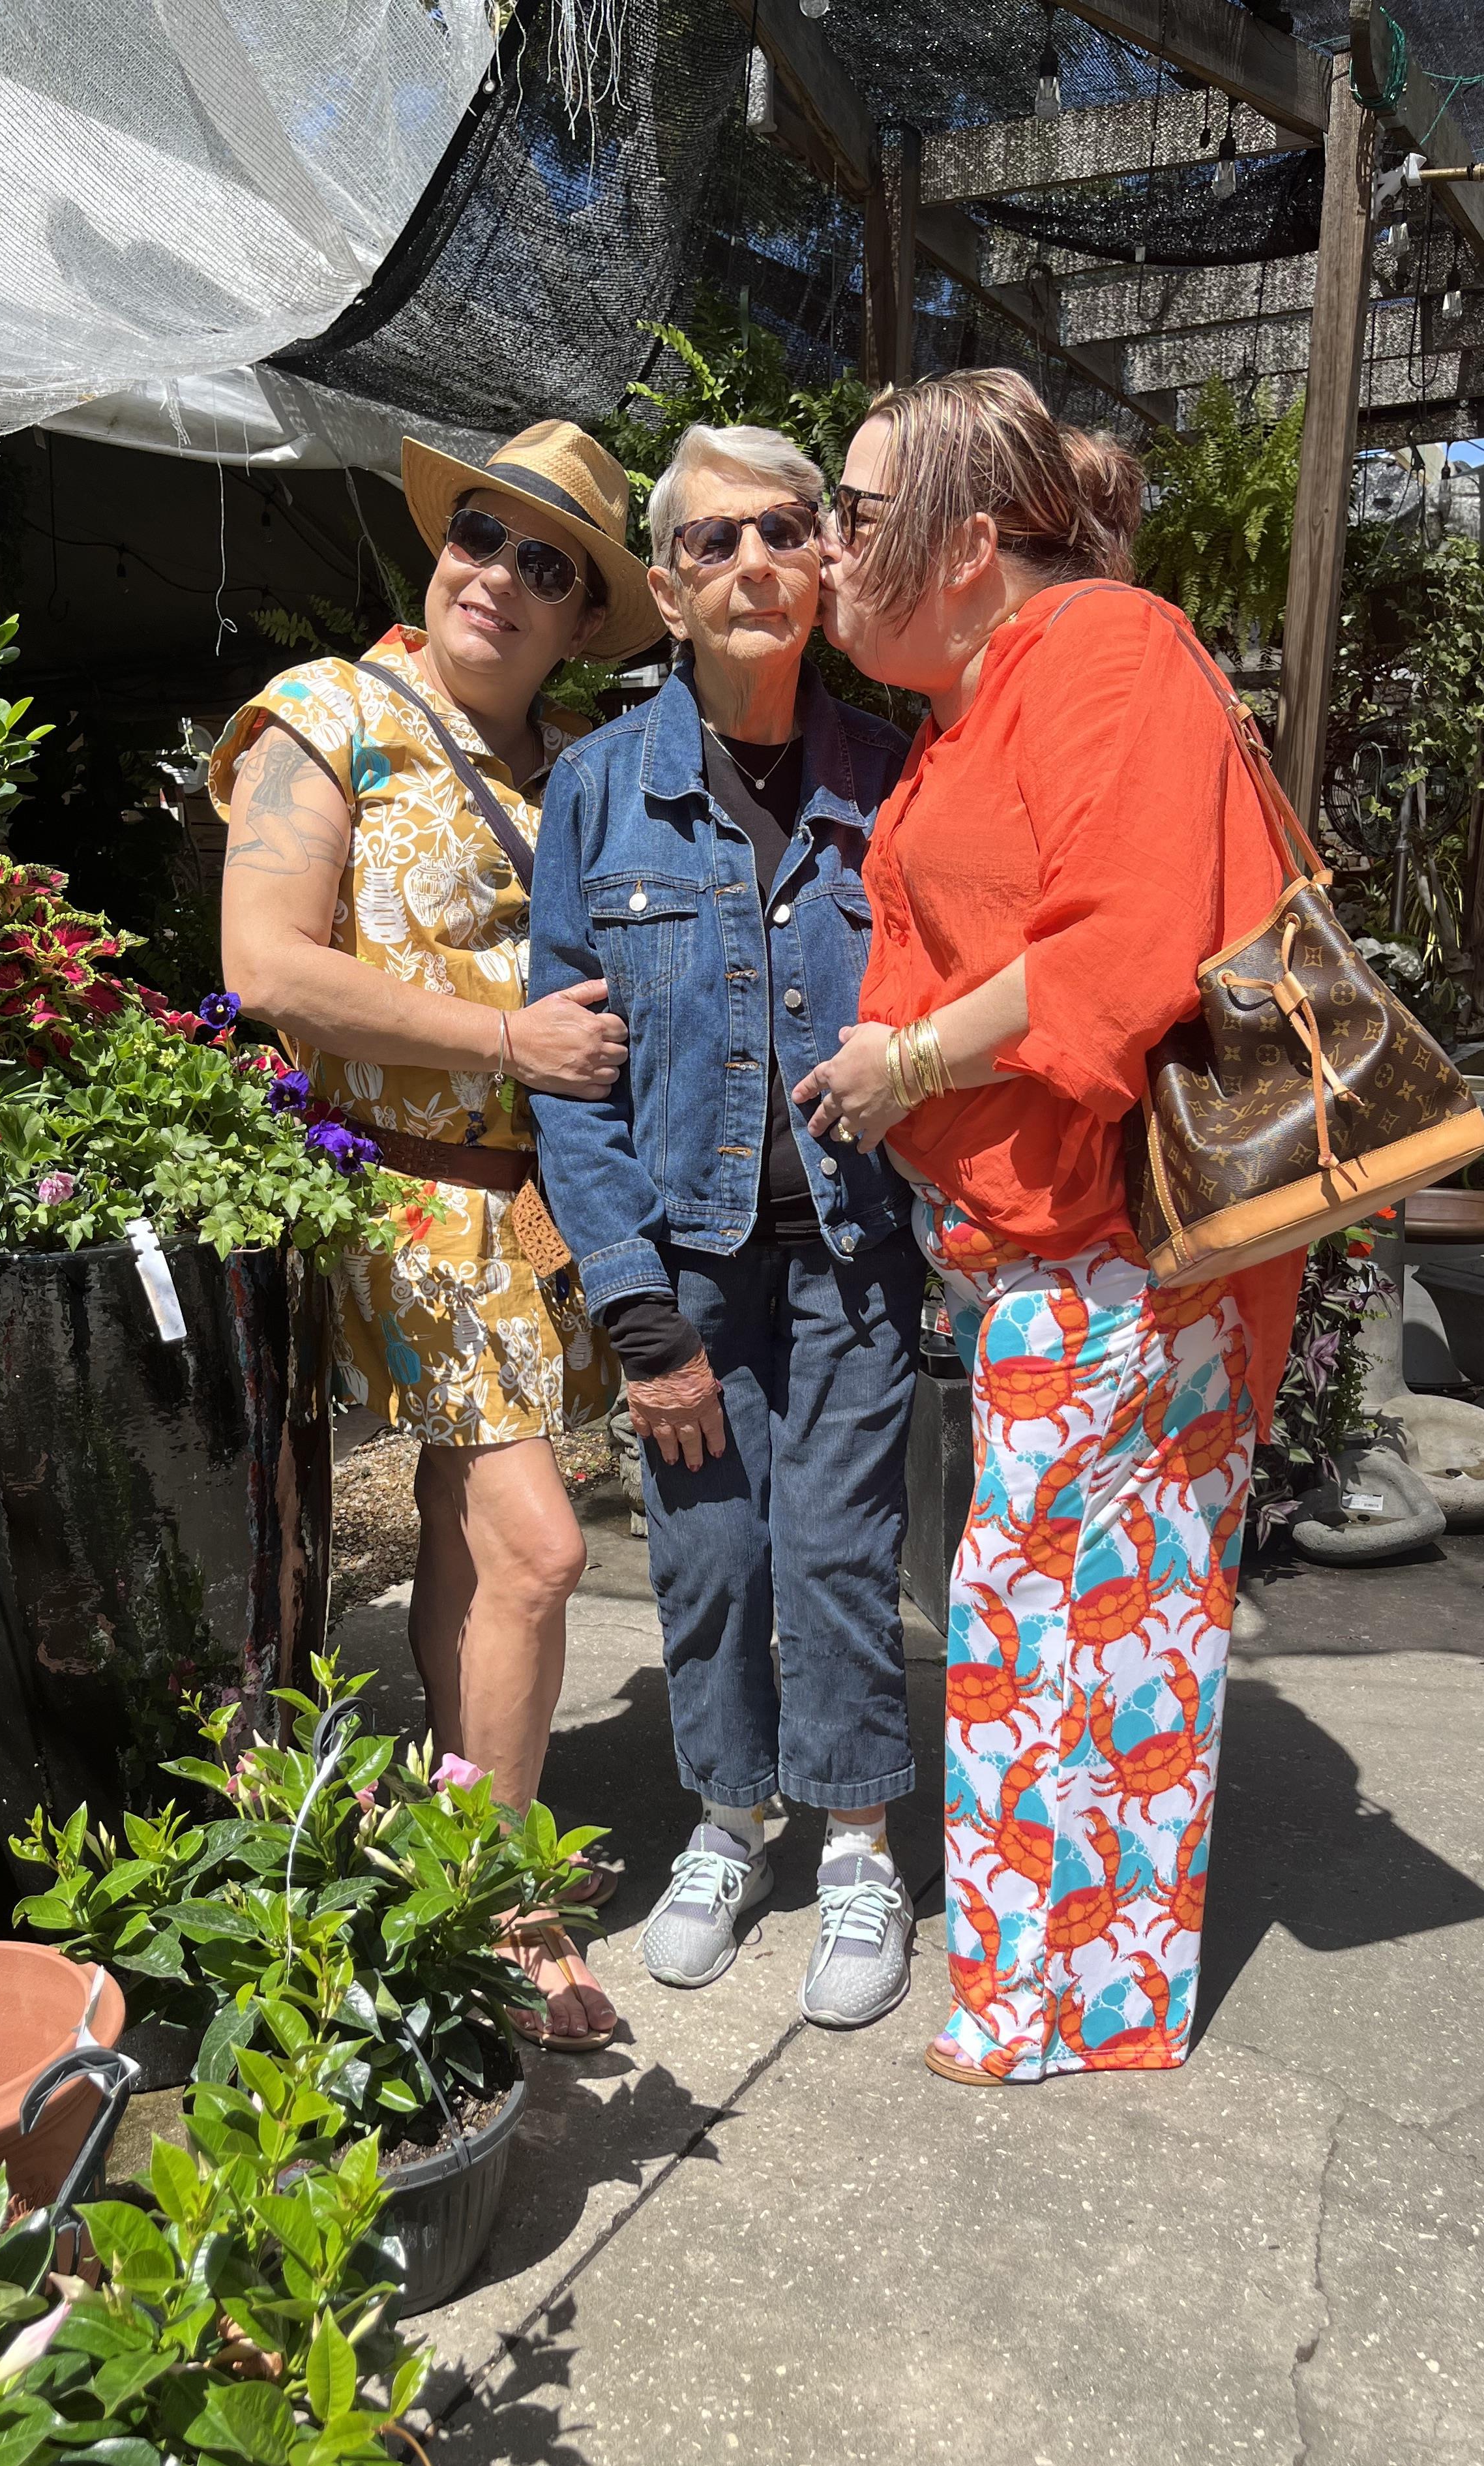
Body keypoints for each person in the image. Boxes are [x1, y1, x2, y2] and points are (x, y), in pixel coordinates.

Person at [794, 367, 1305, 2086]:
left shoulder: (1103, 652)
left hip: (1123, 1241)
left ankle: (1059, 1999)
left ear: (963, 531)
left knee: (1069, 1608)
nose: (825, 547)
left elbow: (1128, 938)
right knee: (1067, 1608)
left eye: (854, 513)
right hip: (1038, 1247)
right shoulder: (988, 692)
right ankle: (1062, 1986)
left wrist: (913, 1058)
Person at [213, 420, 663, 2051]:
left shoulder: (578, 774)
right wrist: (506, 1046)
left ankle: (447, 1820)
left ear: (579, 616)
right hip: (399, 1191)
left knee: (479, 1543)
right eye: (484, 536)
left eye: (552, 568)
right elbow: (264, 963)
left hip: (538, 1214)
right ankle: (504, 1907)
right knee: (545, 1546)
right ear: (441, 547)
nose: (504, 579)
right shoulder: (326, 716)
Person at [527, 424, 922, 2030]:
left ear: (826, 564)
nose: (754, 562)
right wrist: (638, 1318)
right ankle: (725, 1818)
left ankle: (855, 1843)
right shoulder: (597, 793)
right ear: (672, 596)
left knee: (837, 1554)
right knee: (704, 1554)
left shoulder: (898, 784)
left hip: (853, 1255)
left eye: (785, 531)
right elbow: (571, 1080)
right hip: (685, 1261)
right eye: (712, 543)